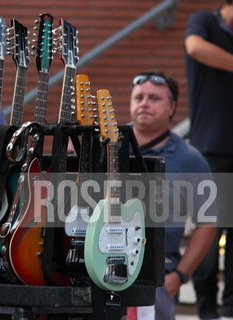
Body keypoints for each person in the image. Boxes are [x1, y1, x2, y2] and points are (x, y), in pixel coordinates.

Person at [127, 70, 217, 319]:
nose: (144, 103)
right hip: (100, 272)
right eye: (139, 97)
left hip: (158, 282)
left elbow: (208, 222)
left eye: (154, 99)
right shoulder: (107, 144)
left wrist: (179, 275)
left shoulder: (191, 159)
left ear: (172, 108)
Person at [185, 2, 233, 319]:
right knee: (208, 229)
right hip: (211, 147)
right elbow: (195, 47)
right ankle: (206, 308)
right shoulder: (204, 21)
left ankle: (231, 305)